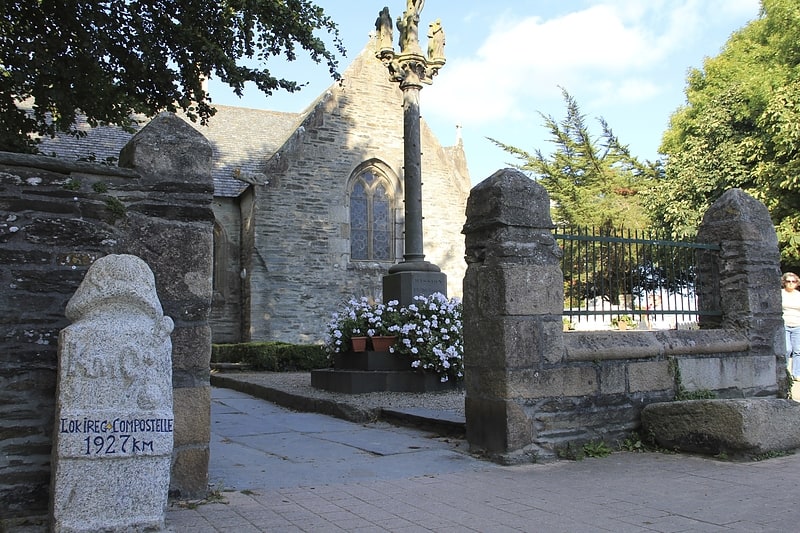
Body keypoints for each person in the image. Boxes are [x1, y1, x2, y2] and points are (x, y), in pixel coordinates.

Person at [781, 272, 800, 380]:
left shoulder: (798, 295)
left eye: (793, 281)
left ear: (797, 283)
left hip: (797, 325)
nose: (791, 283)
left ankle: (796, 373)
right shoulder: (780, 294)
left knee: (798, 350)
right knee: (787, 349)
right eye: (788, 281)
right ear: (784, 282)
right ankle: (785, 373)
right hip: (785, 324)